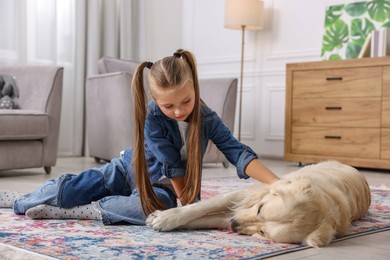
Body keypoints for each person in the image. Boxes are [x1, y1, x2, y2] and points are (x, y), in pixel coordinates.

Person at [0, 49, 279, 225]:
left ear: (194, 87)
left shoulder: (207, 119)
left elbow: (237, 151)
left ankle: (78, 211)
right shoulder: (152, 117)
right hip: (127, 170)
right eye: (168, 106)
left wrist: (280, 183)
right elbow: (172, 164)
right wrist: (192, 210)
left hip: (160, 188)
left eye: (186, 101)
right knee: (73, 187)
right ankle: (22, 199)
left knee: (158, 209)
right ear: (156, 101)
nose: (179, 111)